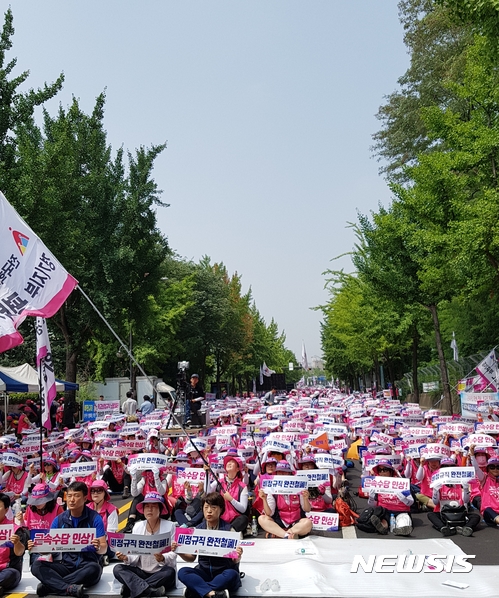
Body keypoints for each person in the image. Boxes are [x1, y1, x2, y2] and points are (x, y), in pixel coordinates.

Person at [30, 481, 107, 597]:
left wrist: (98, 547)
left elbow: (104, 548)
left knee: (94, 569)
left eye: (76, 496)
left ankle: (51, 586)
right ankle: (68, 588)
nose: (71, 500)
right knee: (37, 566)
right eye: (69, 496)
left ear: (85, 498)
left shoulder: (95, 518)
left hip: (86, 565)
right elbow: (48, 549)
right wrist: (37, 547)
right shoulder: (59, 520)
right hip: (65, 565)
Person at [174, 492, 243, 598]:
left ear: (221, 509)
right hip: (204, 572)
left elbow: (234, 561)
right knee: (183, 572)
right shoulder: (198, 530)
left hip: (223, 572)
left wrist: (238, 557)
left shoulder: (229, 530)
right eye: (206, 507)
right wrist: (179, 551)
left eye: (213, 507)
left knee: (232, 575)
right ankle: (212, 594)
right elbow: (192, 558)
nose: (209, 511)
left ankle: (198, 590)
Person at [113, 493, 176, 598]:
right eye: (147, 506)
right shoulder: (138, 526)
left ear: (160, 509)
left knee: (170, 573)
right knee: (118, 569)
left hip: (160, 572)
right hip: (141, 571)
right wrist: (125, 557)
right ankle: (150, 591)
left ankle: (134, 588)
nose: (149, 509)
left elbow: (174, 552)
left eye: (153, 506)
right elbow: (133, 553)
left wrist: (163, 557)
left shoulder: (170, 526)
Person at [257, 460, 312, 539]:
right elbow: (269, 513)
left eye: (285, 472)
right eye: (279, 472)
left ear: (290, 474)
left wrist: (306, 498)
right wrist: (264, 499)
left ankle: (281, 533)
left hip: (296, 522)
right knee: (262, 518)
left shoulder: (299, 488)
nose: (282, 474)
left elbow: (307, 509)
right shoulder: (272, 490)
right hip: (279, 521)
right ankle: (288, 535)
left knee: (308, 523)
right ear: (276, 474)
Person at [0, 492, 29, 595]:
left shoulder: (14, 529)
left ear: (6, 509)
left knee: (11, 574)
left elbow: (20, 552)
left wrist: (16, 543)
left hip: (7, 569)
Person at [87, 480, 118, 566]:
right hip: (86, 542)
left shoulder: (112, 510)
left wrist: (99, 542)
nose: (95, 493)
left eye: (99, 490)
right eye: (93, 491)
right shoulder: (85, 508)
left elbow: (111, 533)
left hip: (105, 543)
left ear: (105, 493)